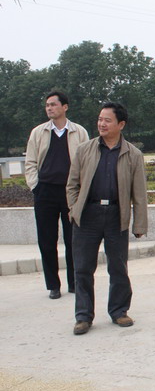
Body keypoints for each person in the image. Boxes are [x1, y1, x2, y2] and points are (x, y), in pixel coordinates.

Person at [66, 102, 148, 335]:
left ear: (121, 124)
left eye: (107, 120)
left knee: (118, 267)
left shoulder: (133, 154)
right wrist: (74, 209)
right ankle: (83, 316)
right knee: (83, 268)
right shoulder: (85, 150)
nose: (101, 124)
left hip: (116, 215)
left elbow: (139, 193)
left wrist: (139, 224)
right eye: (100, 119)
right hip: (87, 215)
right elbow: (72, 184)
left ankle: (119, 311)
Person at [25, 91, 89, 299]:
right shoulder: (38, 132)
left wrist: (81, 190)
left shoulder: (79, 132)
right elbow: (30, 162)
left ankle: (74, 282)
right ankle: (53, 285)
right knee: (46, 240)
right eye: (47, 105)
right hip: (45, 192)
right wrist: (35, 186)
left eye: (53, 104)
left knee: (73, 240)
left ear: (65, 107)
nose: (49, 108)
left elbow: (87, 162)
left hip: (70, 193)